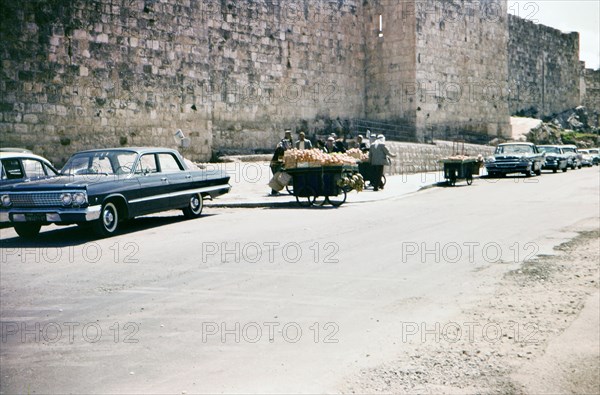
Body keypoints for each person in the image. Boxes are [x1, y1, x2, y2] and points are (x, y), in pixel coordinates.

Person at [269, 130, 294, 195]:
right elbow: (280, 155)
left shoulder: (286, 143)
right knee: (276, 177)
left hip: (277, 163)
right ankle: (274, 191)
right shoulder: (282, 145)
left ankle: (275, 190)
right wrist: (282, 163)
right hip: (275, 164)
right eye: (289, 135)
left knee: (277, 177)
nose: (291, 136)